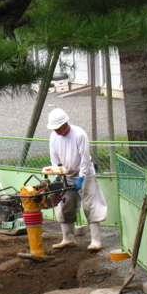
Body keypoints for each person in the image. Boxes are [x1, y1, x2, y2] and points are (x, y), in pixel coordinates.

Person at [47, 108, 107, 251]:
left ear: (65, 123)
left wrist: (81, 178)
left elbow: (85, 158)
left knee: (91, 205)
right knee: (65, 204)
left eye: (58, 127)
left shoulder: (79, 134)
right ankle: (68, 238)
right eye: (54, 128)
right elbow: (55, 158)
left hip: (85, 174)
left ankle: (95, 241)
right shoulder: (54, 137)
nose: (56, 130)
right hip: (66, 174)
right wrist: (58, 176)